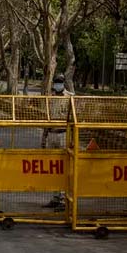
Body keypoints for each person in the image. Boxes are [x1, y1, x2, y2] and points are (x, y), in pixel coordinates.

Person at [43, 74, 72, 209]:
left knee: (64, 167)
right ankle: (55, 197)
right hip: (52, 134)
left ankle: (64, 200)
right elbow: (47, 118)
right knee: (52, 167)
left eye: (60, 82)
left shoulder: (70, 98)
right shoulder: (51, 98)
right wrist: (44, 137)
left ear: (64, 83)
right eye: (56, 82)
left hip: (63, 134)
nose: (58, 84)